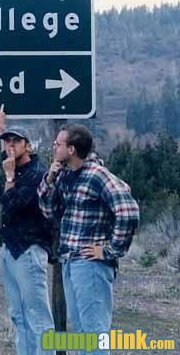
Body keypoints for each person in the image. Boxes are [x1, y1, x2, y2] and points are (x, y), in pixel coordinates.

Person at [38, 124, 139, 355]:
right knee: (82, 333)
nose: (54, 147)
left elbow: (128, 211)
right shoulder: (66, 176)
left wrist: (109, 250)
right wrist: (50, 179)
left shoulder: (97, 175)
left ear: (71, 149)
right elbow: (49, 212)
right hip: (70, 260)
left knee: (94, 333)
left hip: (90, 264)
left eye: (58, 144)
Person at [0, 105, 55, 355]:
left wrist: (9, 178)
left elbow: (12, 204)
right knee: (18, 315)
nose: (10, 146)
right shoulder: (15, 167)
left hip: (29, 250)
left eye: (16, 142)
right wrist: (2, 127)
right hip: (11, 248)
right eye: (8, 141)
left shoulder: (37, 174)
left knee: (38, 316)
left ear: (28, 146)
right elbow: (6, 157)